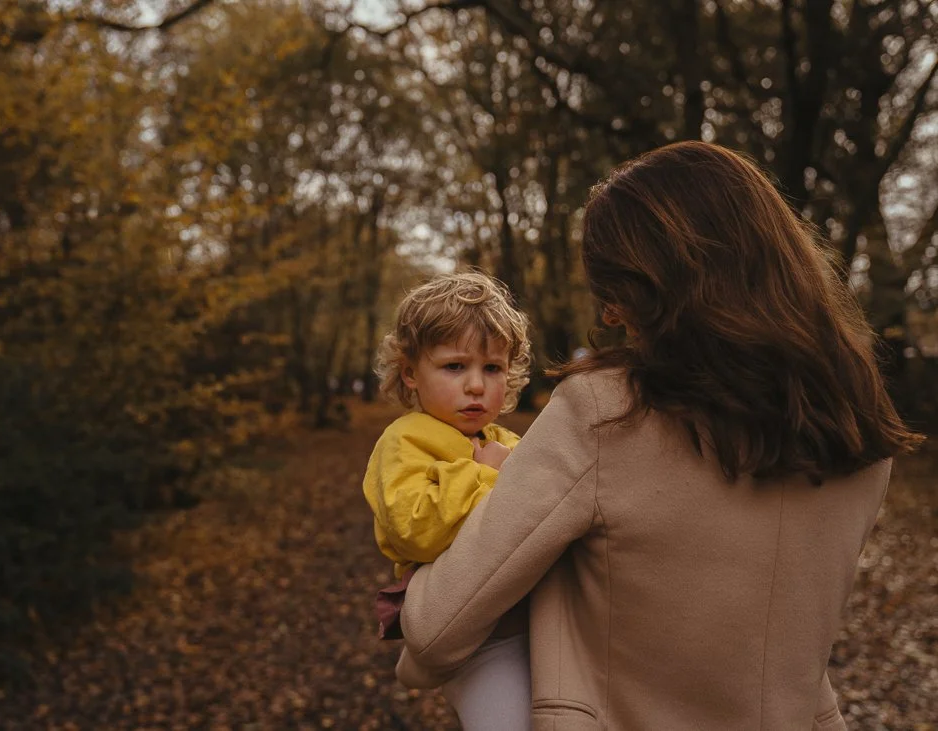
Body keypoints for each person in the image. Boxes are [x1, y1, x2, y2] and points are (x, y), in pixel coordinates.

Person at [394, 142, 923, 730]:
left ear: (652, 284)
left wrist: (413, 591)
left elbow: (440, 626)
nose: (613, 317)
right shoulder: (857, 425)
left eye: (615, 295)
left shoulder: (609, 413)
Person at [363, 270, 534, 730]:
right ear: (411, 374)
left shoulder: (505, 441)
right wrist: (486, 474)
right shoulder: (405, 442)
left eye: (492, 368)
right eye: (455, 366)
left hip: (537, 623)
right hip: (475, 638)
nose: (476, 385)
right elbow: (415, 530)